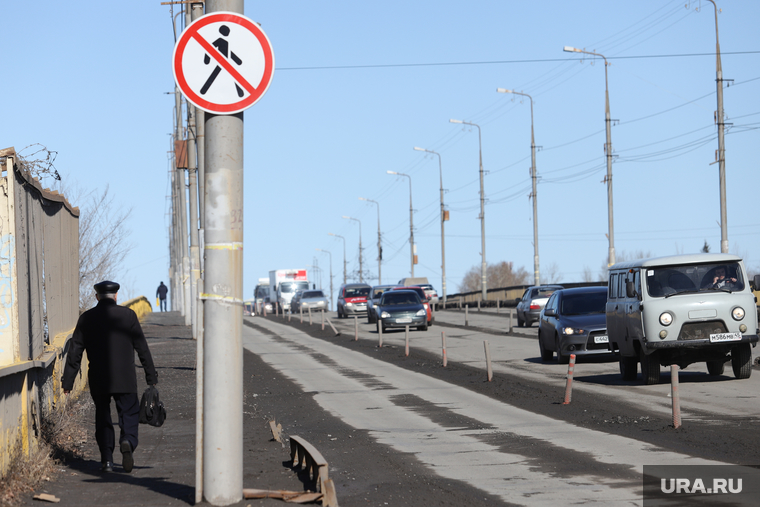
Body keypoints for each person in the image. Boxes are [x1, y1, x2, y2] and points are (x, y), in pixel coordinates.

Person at [62, 281, 158, 473]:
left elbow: (75, 352)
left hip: (99, 378)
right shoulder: (128, 315)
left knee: (102, 416)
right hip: (125, 378)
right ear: (116, 296)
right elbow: (142, 347)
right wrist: (151, 376)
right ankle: (128, 441)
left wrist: (68, 381)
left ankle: (106, 460)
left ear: (97, 297)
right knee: (128, 412)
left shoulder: (86, 318)